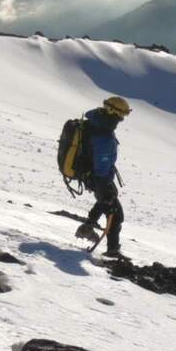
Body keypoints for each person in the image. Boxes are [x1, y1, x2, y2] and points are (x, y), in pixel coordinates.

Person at [74, 95, 132, 256]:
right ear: (112, 111)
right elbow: (102, 159)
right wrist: (104, 183)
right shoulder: (103, 133)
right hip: (99, 177)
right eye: (121, 115)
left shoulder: (95, 122)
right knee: (115, 213)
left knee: (108, 205)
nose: (121, 119)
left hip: (92, 174)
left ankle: (88, 228)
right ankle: (111, 251)